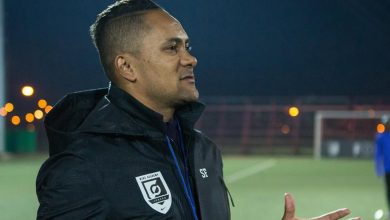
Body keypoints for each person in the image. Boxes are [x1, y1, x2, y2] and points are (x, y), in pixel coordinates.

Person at [36, 0, 359, 219]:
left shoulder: (202, 149)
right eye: (171, 47)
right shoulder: (84, 165)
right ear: (127, 67)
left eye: (187, 46)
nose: (190, 58)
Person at [375, 118, 390, 217]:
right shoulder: (380, 137)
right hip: (388, 169)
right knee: (389, 191)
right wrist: (378, 168)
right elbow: (378, 155)